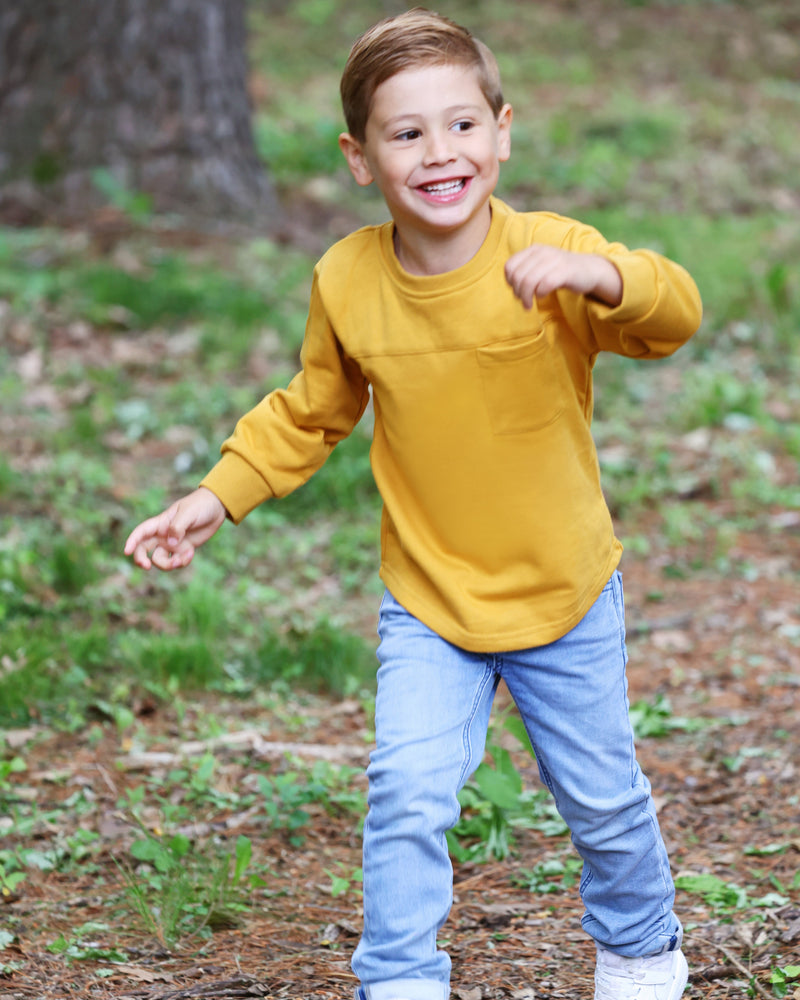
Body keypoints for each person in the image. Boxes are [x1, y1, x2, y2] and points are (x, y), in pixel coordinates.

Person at [124, 9, 702, 1000]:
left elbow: (672, 311)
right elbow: (309, 412)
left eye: (461, 125)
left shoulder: (549, 253)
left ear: (501, 130)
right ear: (359, 157)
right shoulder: (348, 278)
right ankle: (396, 979)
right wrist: (215, 496)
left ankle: (641, 951)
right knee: (403, 793)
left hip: (561, 592)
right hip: (430, 600)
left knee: (601, 802)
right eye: (406, 133)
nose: (440, 152)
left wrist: (597, 273)